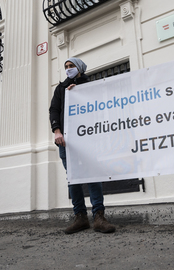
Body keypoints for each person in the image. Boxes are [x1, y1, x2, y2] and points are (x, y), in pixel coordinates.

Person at [49, 57, 116, 234]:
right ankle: (80, 217)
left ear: (80, 68)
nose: (68, 69)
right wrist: (57, 131)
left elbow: (100, 108)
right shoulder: (61, 89)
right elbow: (54, 110)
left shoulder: (90, 86)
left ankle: (99, 217)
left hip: (88, 139)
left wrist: (79, 92)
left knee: (92, 175)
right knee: (73, 178)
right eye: (66, 67)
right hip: (66, 141)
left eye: (71, 66)